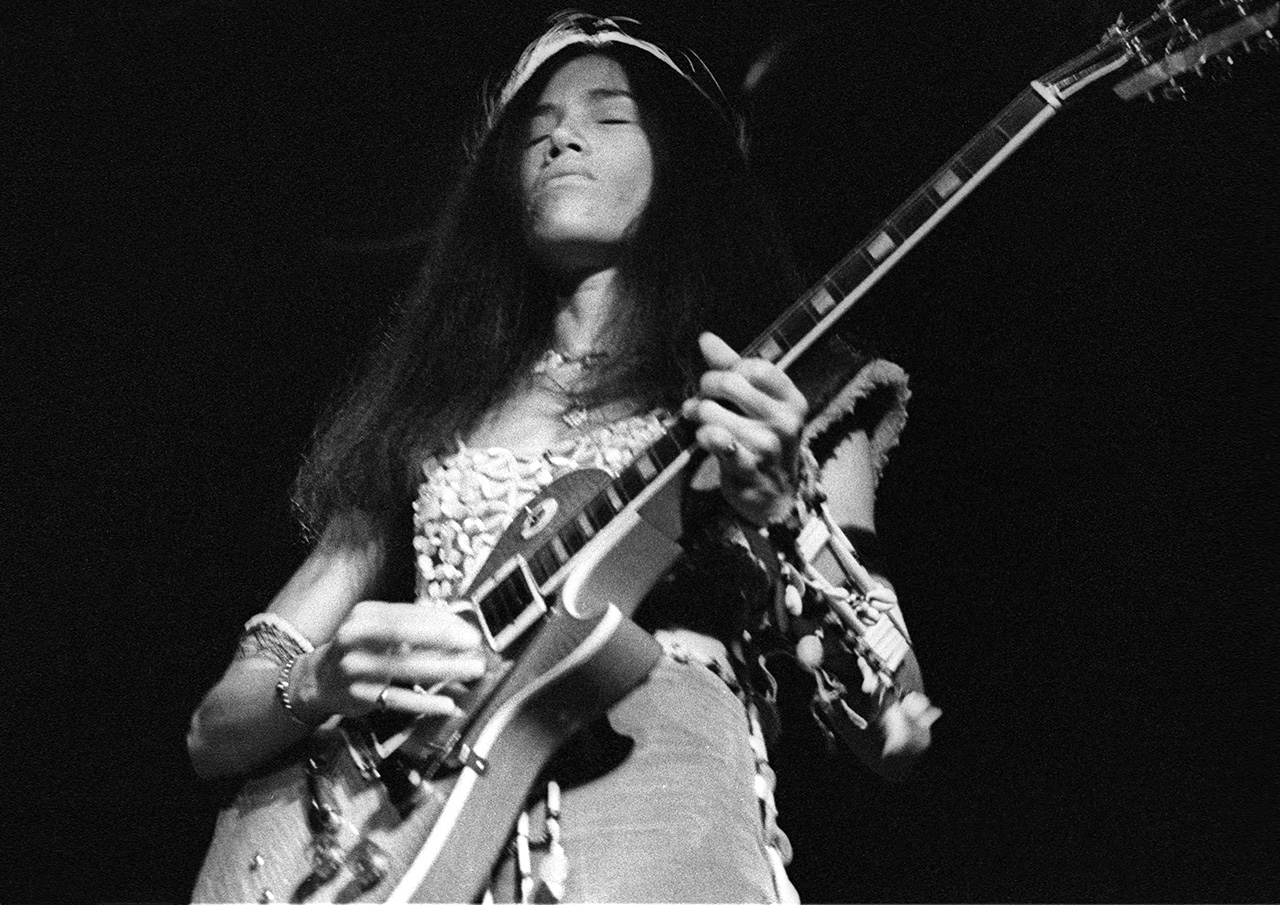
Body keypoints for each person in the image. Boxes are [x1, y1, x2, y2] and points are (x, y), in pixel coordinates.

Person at [188, 12, 939, 903]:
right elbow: (214, 728)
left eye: (609, 116)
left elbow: (896, 724)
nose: (562, 136)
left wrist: (784, 513)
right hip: (409, 851)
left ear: (682, 162)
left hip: (662, 829)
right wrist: (314, 682)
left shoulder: (783, 388)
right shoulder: (433, 413)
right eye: (536, 127)